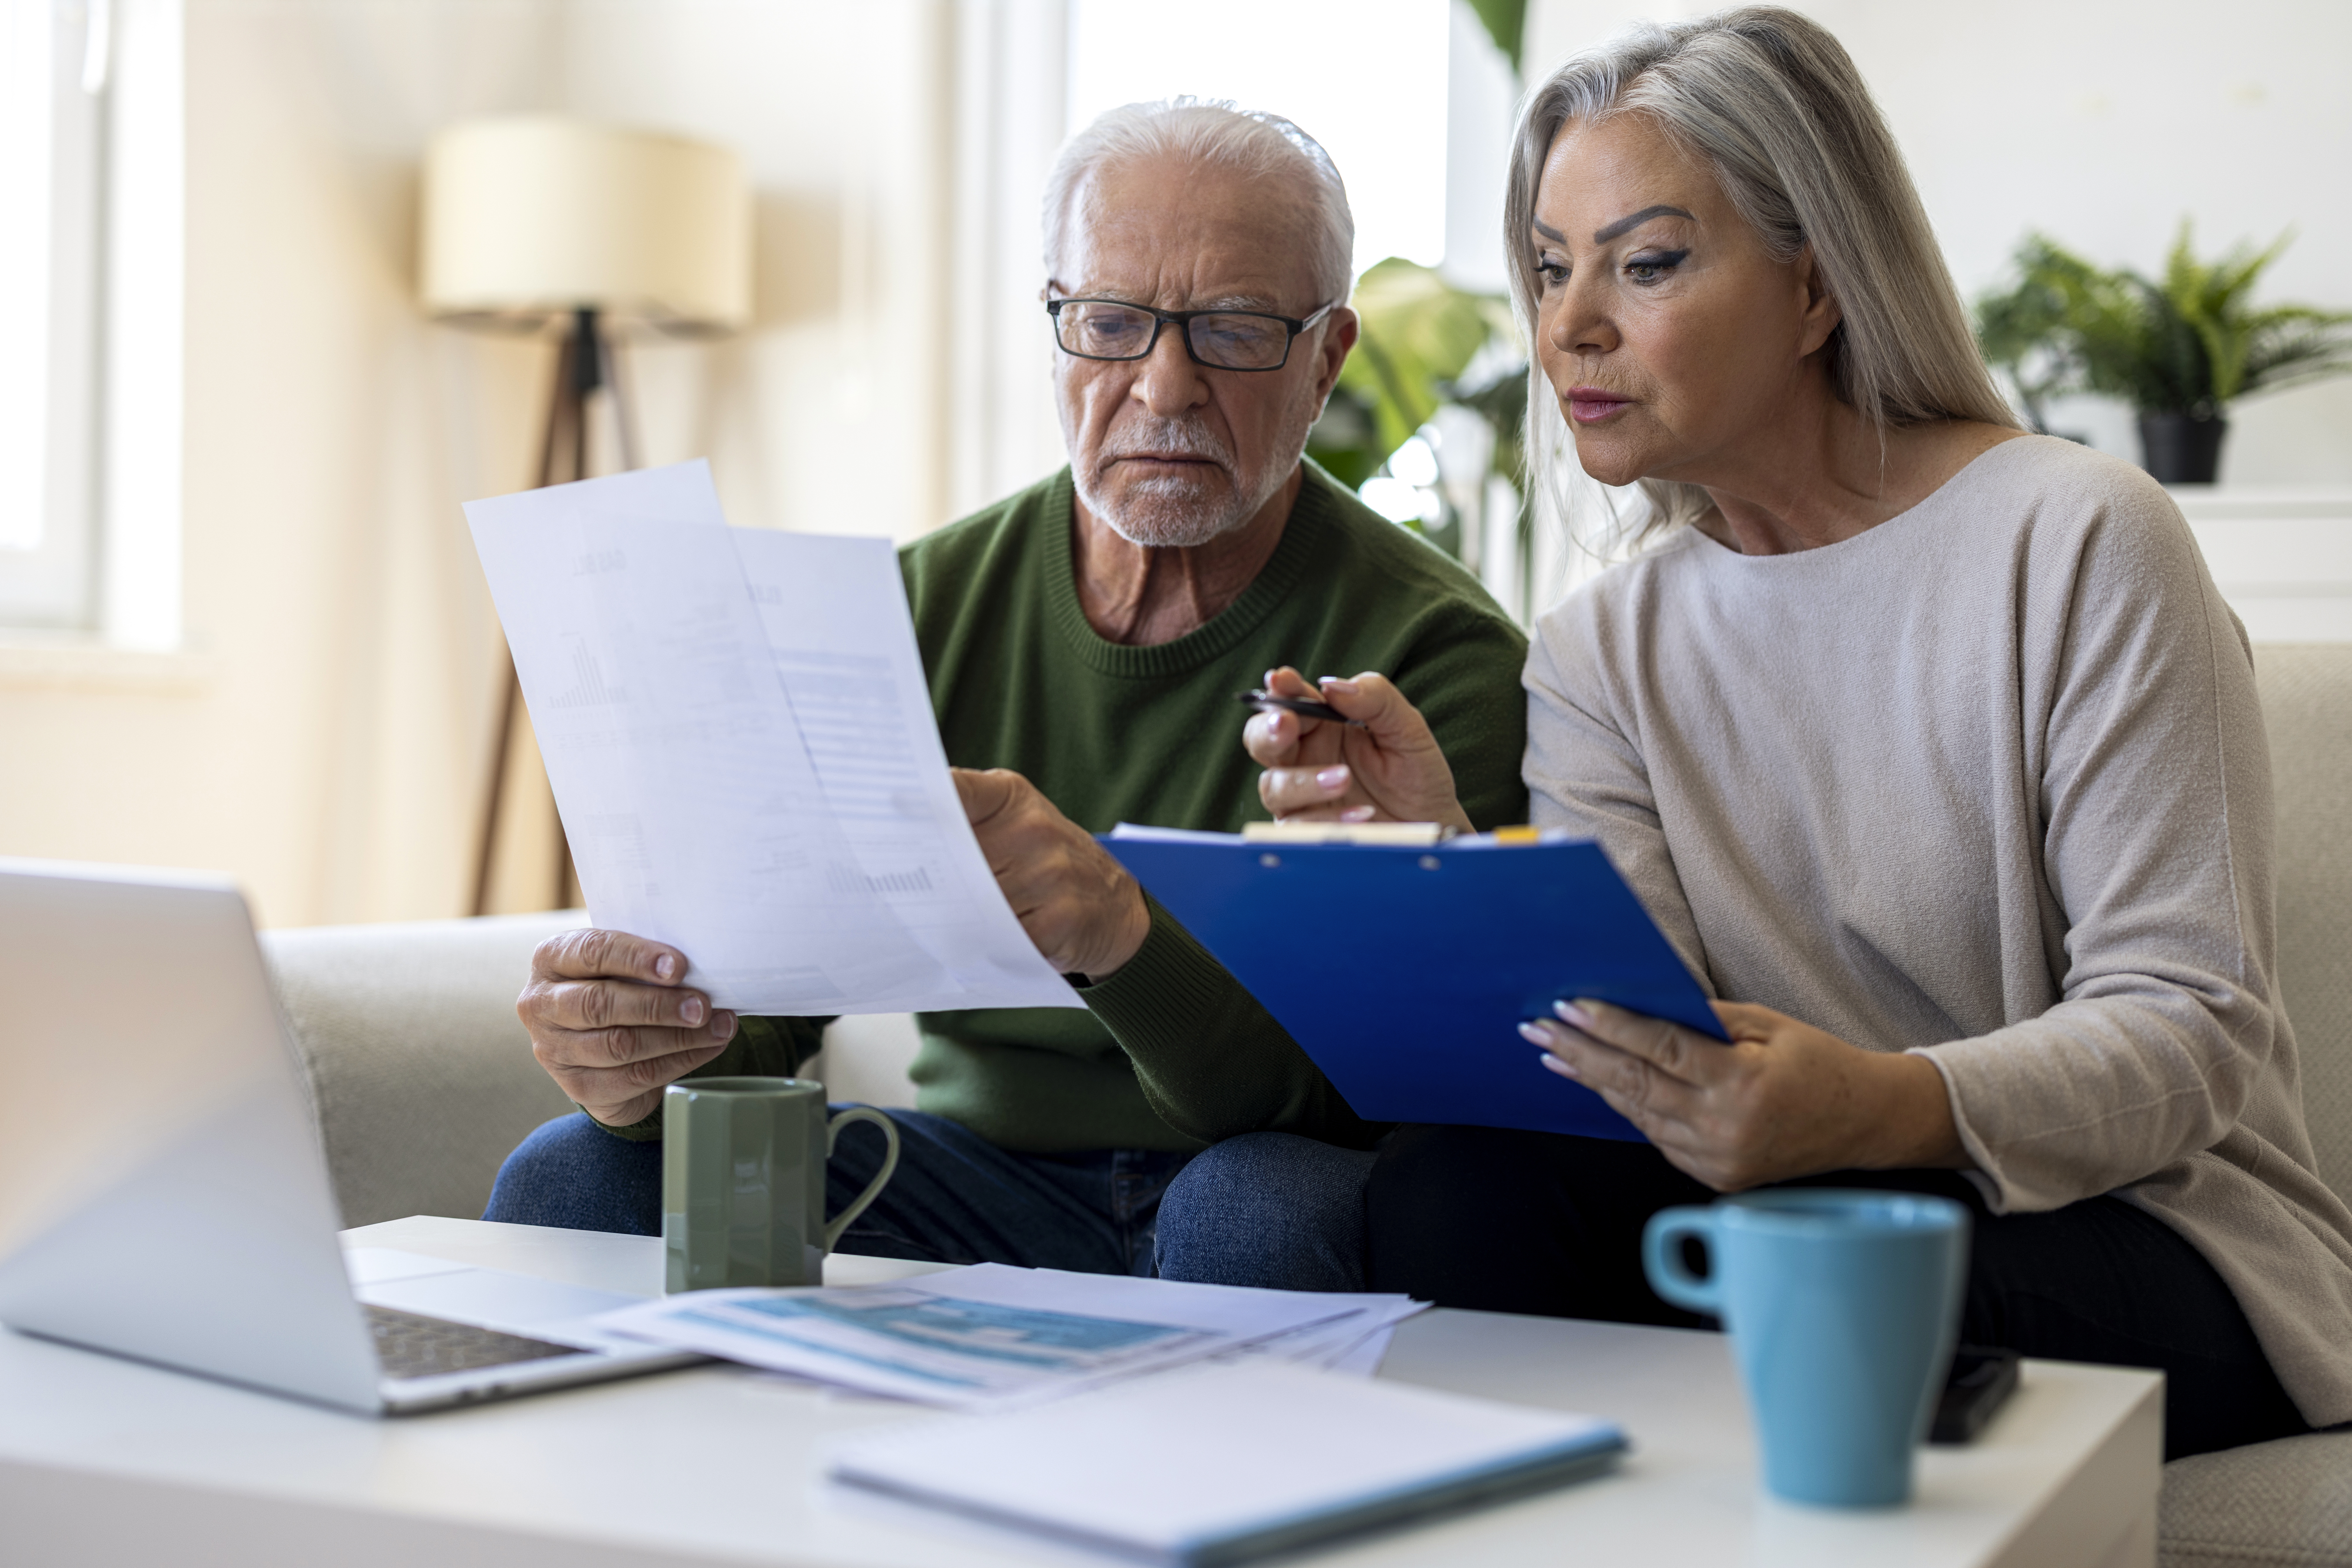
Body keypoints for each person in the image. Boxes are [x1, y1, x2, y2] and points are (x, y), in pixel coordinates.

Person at [1232, 8, 2352, 1461]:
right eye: (1551, 269)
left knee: (1830, 1292)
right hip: (1794, 1207)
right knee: (1457, 1191)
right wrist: (1442, 855)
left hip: (2145, 1225)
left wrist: (1883, 1106)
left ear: (1814, 286)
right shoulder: (1599, 649)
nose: (1569, 326)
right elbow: (1636, 1046)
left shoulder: (2079, 537)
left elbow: (2191, 1029)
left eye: (1644, 263)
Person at [479, 99, 1530, 1281]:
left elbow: (1373, 1100)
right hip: (964, 1186)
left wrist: (1121, 937)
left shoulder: (1432, 658)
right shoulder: (913, 603)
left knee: (1256, 1206)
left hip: (1253, 1180)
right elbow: (763, 1031)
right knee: (575, 1172)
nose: (1163, 386)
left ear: (1326, 357)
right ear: (1055, 330)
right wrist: (641, 1049)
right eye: (1110, 324)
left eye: (1233, 331)